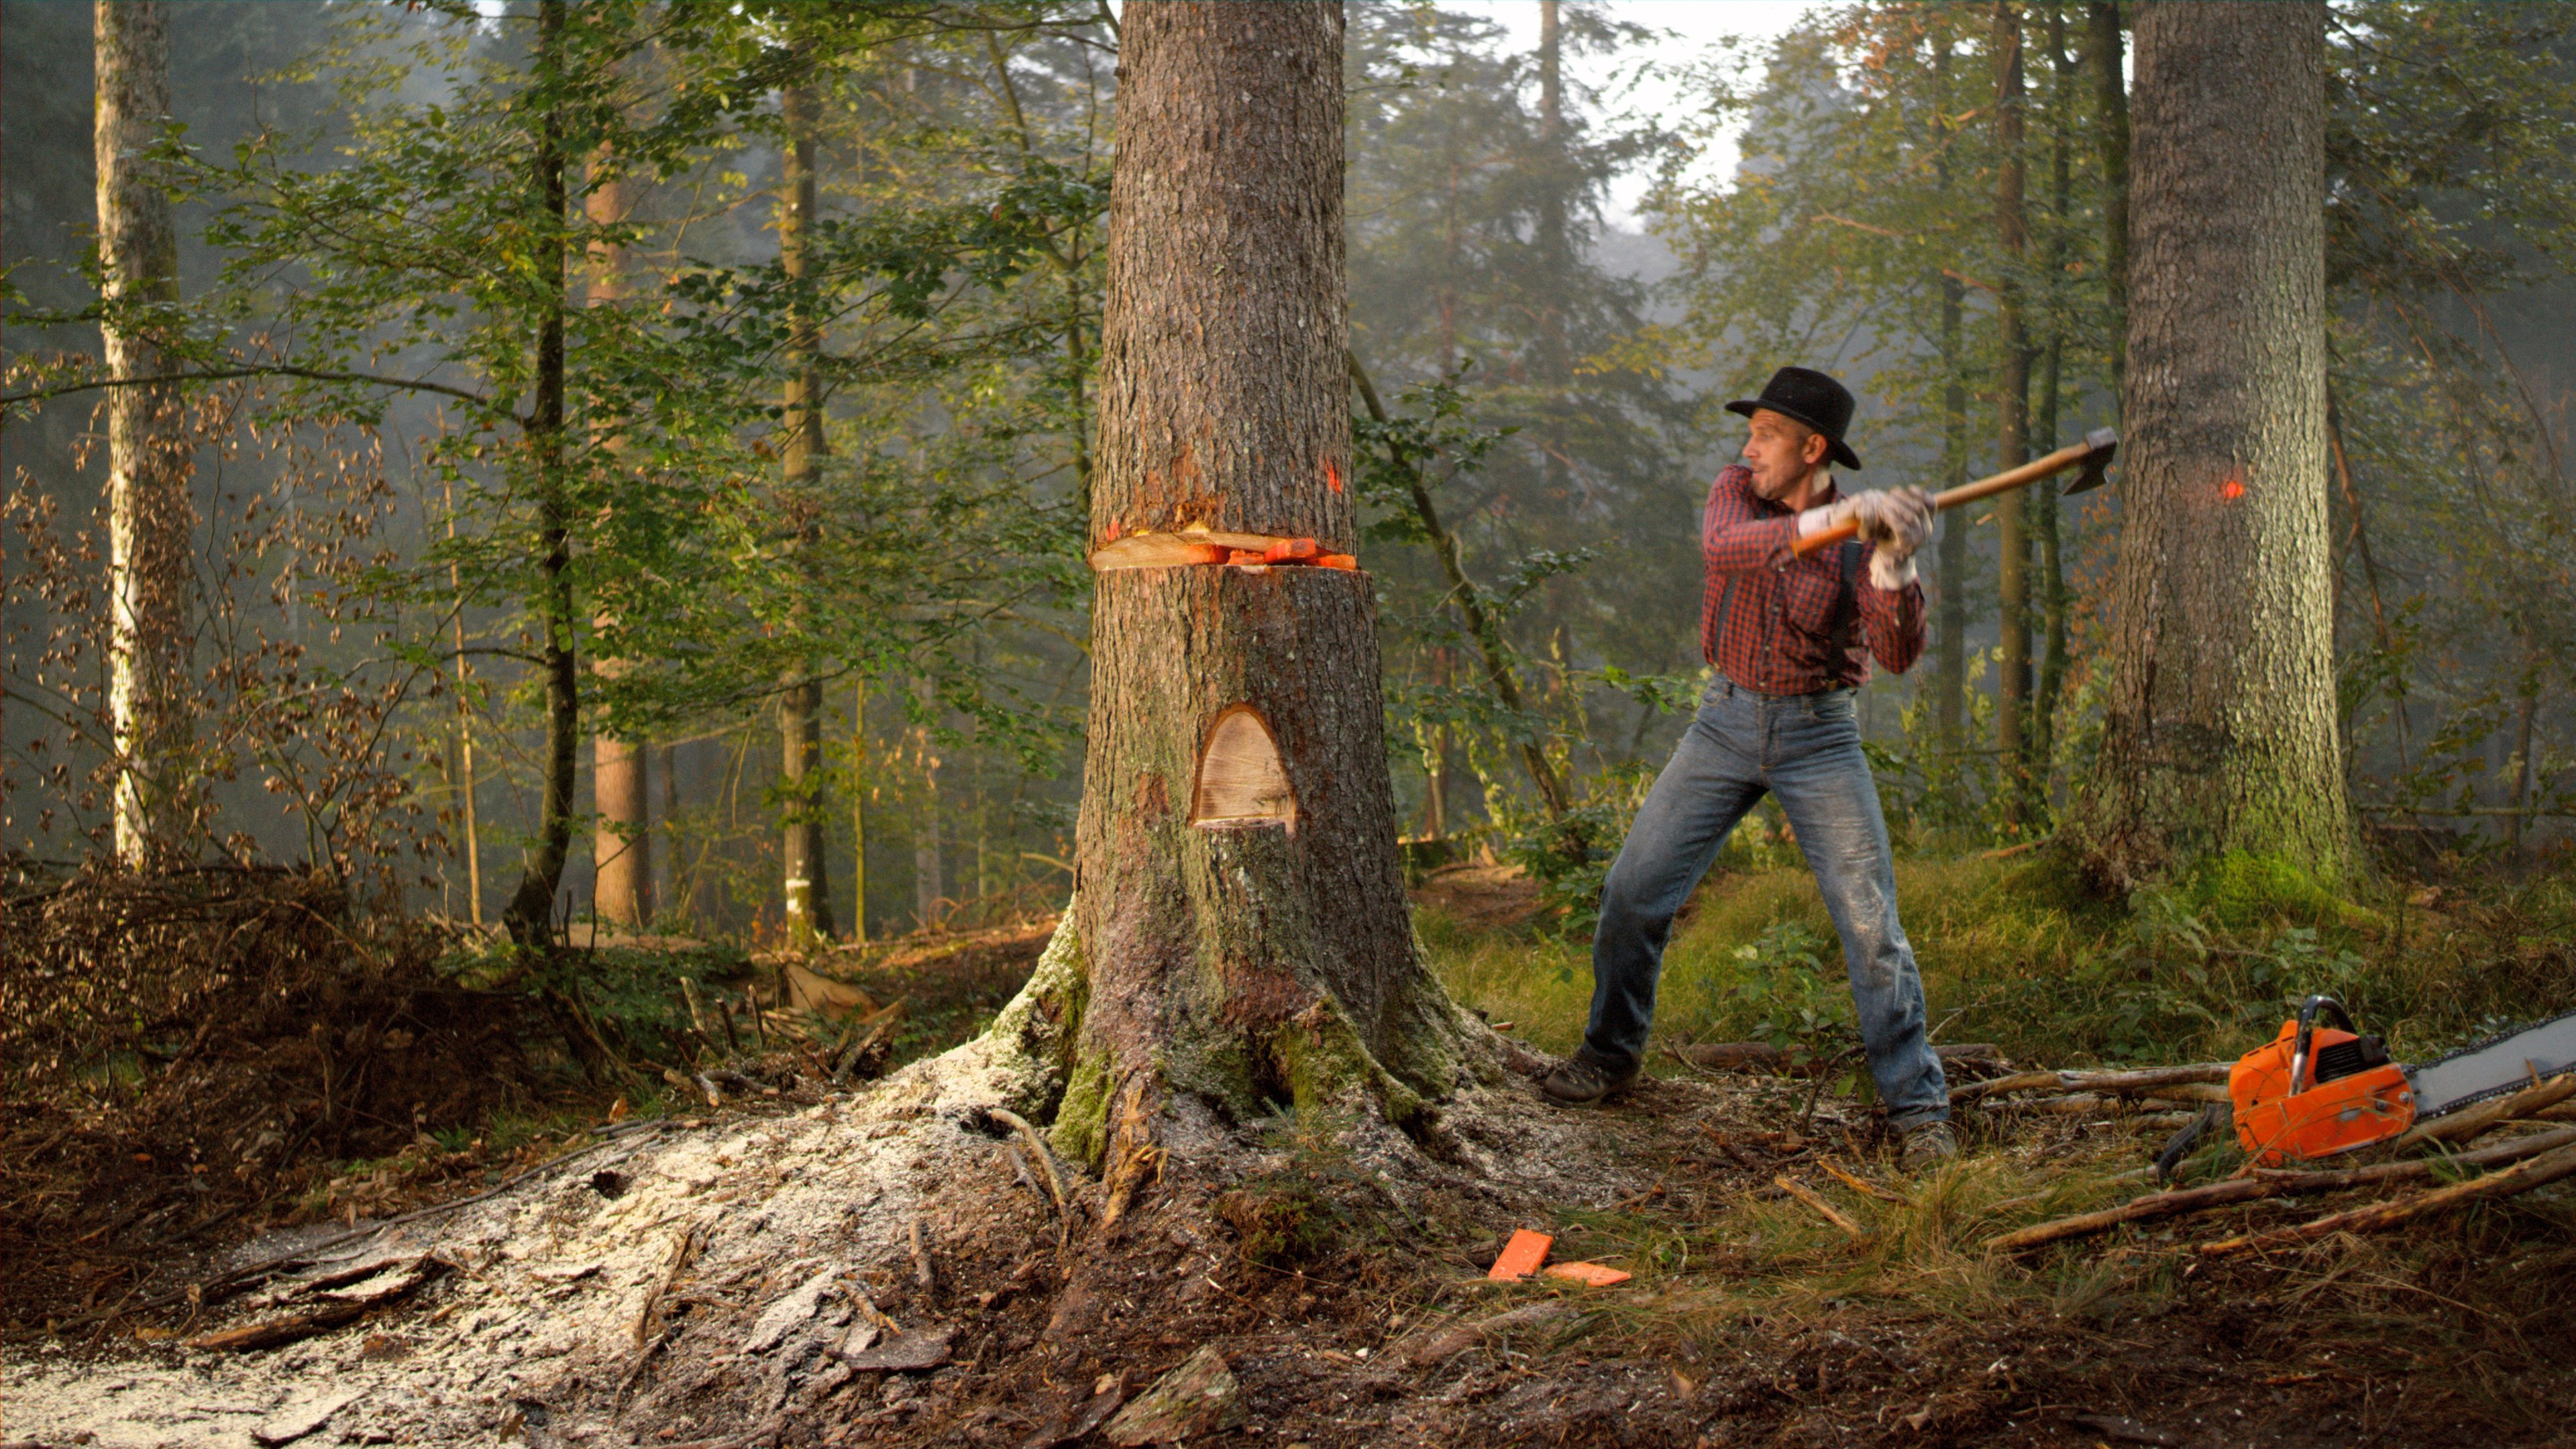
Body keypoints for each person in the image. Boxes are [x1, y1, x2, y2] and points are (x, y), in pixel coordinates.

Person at [1539, 366, 1957, 1167]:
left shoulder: (1861, 538)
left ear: (1813, 447)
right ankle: (1611, 1056)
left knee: (1872, 931)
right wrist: (1833, 526)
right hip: (1723, 723)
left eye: (1765, 434)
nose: (1747, 446)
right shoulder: (1737, 492)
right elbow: (1724, 550)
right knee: (1633, 892)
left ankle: (1917, 1110)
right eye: (1752, 431)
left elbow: (1899, 655)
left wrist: (1894, 562)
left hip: (1819, 736)